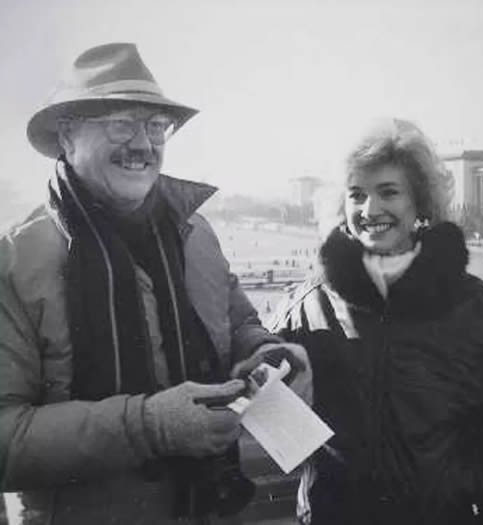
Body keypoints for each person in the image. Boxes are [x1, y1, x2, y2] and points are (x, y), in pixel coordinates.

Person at [0, 43, 310, 524]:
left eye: (155, 126)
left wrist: (267, 354)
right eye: (121, 124)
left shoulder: (196, 234)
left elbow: (240, 325)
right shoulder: (15, 263)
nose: (143, 145)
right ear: (67, 137)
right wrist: (149, 425)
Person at [271, 119, 483, 524]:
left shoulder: (471, 303)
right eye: (356, 195)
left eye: (388, 192)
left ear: (420, 202)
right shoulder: (307, 305)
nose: (370, 210)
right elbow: (253, 390)